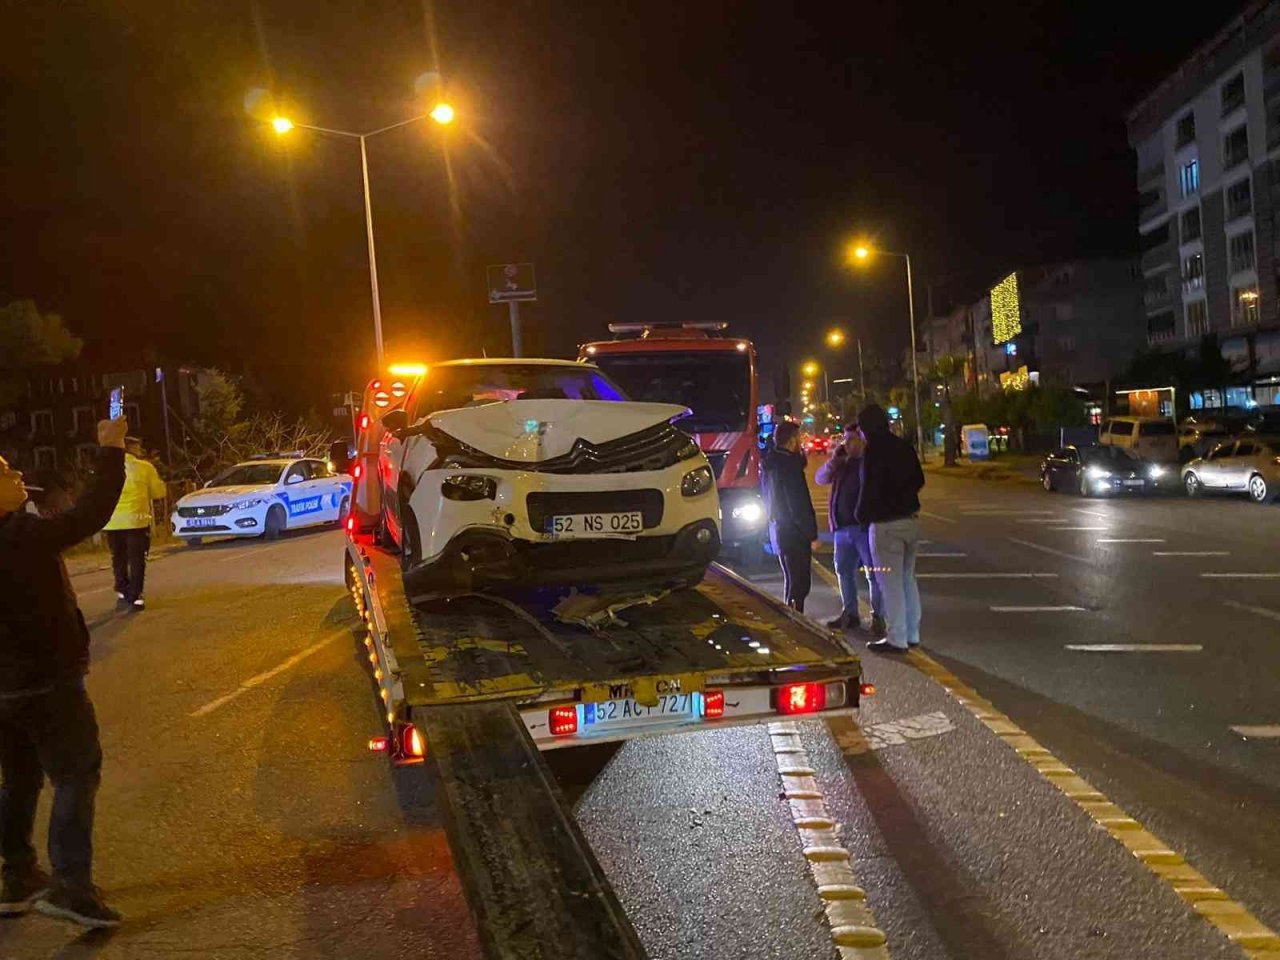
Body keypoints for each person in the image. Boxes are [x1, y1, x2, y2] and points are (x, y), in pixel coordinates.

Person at [0, 417, 127, 927]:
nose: (17, 475)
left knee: (19, 778)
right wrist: (111, 451)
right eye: (6, 471)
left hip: (4, 690)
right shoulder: (22, 535)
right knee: (75, 774)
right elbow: (89, 514)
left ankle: (15, 875)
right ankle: (71, 887)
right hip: (46, 681)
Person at [854, 404, 925, 653]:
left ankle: (897, 637)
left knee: (890, 583)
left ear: (865, 429)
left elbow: (868, 490)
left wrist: (861, 516)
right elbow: (919, 479)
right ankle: (912, 633)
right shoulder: (903, 446)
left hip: (886, 526)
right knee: (907, 578)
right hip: (911, 520)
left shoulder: (873, 452)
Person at [815, 422, 885, 636]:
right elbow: (820, 478)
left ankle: (879, 617)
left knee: (873, 574)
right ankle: (850, 613)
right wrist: (834, 460)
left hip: (864, 529)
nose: (847, 443)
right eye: (845, 439)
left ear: (862, 440)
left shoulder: (870, 463)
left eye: (851, 439)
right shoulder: (842, 463)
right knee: (844, 571)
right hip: (842, 529)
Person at [761, 420, 818, 613]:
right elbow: (798, 502)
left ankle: (790, 614)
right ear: (792, 440)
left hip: (778, 528)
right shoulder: (789, 466)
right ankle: (795, 619)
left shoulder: (771, 463)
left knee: (791, 578)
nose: (801, 442)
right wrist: (811, 533)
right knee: (800, 582)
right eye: (799, 438)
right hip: (794, 532)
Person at [103, 436, 166, 612]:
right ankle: (136, 594)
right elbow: (158, 492)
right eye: (138, 447)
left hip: (113, 522)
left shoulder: (106, 469)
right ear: (131, 449)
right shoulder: (144, 468)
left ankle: (122, 588)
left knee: (118, 557)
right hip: (136, 520)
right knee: (137, 559)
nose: (140, 451)